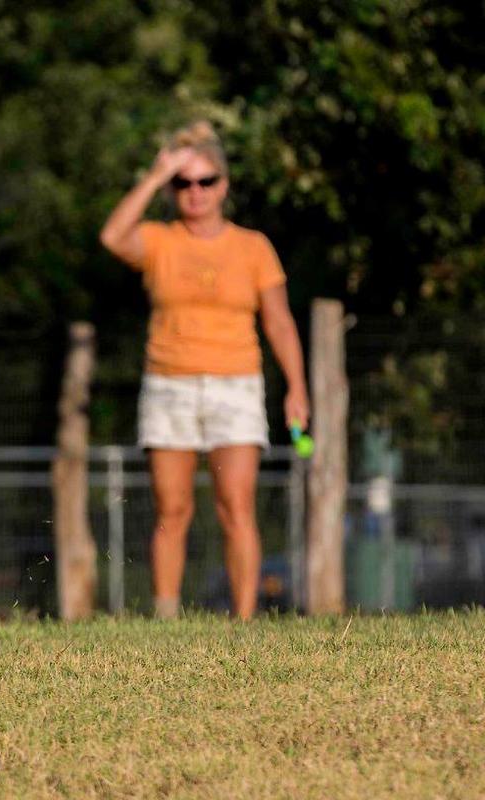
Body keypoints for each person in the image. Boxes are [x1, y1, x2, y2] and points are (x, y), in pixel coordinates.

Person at [99, 121, 309, 620]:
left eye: (206, 181)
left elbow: (279, 321)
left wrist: (297, 387)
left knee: (236, 507)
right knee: (172, 509)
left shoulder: (253, 247)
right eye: (183, 183)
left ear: (224, 185)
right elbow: (112, 235)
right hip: (168, 386)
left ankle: (244, 619)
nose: (195, 192)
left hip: (237, 385)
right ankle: (166, 617)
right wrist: (155, 175)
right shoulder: (159, 241)